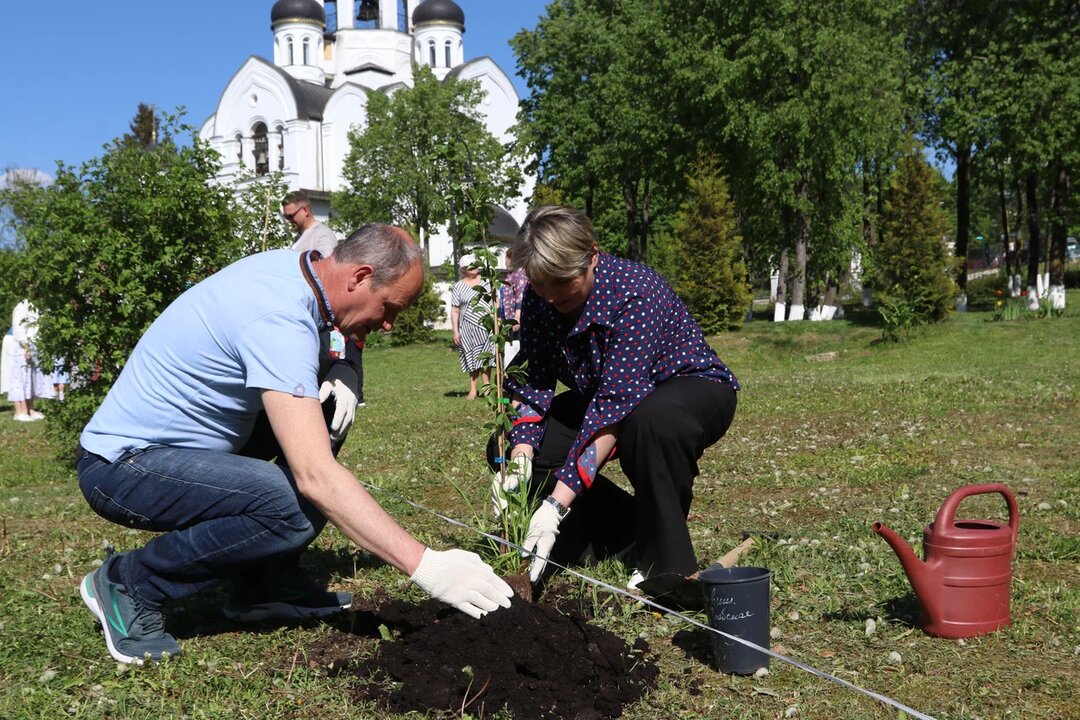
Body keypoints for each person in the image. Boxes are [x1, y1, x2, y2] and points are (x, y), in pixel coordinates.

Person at [77, 225, 513, 665]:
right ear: (360, 277)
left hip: (184, 451)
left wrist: (341, 368)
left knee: (318, 425)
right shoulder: (278, 317)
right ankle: (129, 583)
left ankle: (262, 583)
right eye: (390, 307)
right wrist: (426, 565)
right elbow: (315, 476)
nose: (387, 323)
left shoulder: (296, 274)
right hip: (125, 467)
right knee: (292, 505)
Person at [490, 206, 740, 592]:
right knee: (503, 447)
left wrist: (556, 505)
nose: (551, 296)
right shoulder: (541, 299)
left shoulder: (634, 292)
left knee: (651, 422)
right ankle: (625, 535)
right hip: (607, 398)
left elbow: (615, 405)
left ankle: (666, 566)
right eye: (540, 284)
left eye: (561, 282)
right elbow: (536, 376)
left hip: (688, 389)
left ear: (592, 255)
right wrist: (521, 454)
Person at [282, 191, 366, 409]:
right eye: (285, 217)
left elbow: (327, 274)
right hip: (300, 308)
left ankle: (335, 397)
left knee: (327, 357)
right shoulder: (299, 238)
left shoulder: (322, 236)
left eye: (291, 216)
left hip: (318, 312)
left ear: (306, 210)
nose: (288, 221)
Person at [450, 254, 494, 399]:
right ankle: (473, 390)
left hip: (486, 327)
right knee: (471, 358)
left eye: (475, 265)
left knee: (487, 357)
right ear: (464, 269)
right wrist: (455, 331)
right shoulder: (458, 287)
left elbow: (496, 302)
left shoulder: (487, 283)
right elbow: (455, 310)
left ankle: (487, 388)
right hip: (467, 328)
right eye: (471, 266)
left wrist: (496, 319)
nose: (474, 268)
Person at [8, 299, 54, 421]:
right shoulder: (21, 307)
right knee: (20, 378)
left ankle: (30, 409)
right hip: (24, 346)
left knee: (31, 378)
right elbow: (18, 327)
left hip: (35, 345)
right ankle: (19, 411)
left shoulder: (36, 307)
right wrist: (25, 346)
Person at [497, 249, 528, 366]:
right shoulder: (510, 275)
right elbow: (504, 300)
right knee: (509, 350)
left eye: (507, 258)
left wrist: (517, 317)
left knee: (516, 349)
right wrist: (500, 316)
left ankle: (516, 377)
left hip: (515, 320)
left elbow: (520, 297)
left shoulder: (520, 274)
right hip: (507, 320)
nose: (505, 261)